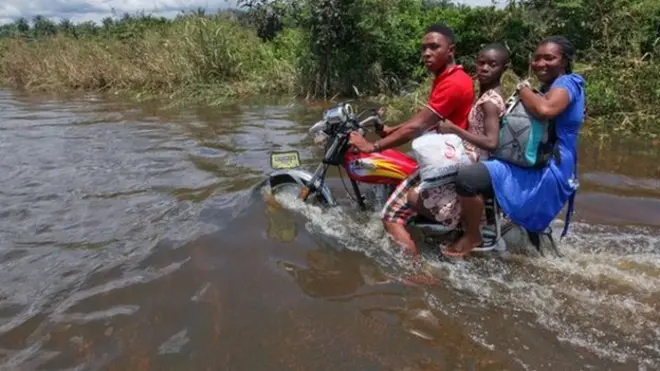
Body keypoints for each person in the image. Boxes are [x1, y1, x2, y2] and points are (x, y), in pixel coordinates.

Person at [443, 35, 585, 258]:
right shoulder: (549, 86)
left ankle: (472, 235)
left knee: (467, 178)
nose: (540, 64)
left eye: (549, 58)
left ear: (564, 61)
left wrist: (523, 89)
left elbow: (545, 110)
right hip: (539, 159)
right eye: (537, 58)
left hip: (550, 167)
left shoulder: (568, 83)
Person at [348, 23, 474, 257]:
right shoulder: (447, 77)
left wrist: (371, 146)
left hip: (448, 158)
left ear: (451, 50)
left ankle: (414, 274)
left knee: (390, 216)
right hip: (445, 150)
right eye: (424, 48)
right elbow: (426, 119)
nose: (426, 53)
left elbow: (418, 126)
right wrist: (391, 129)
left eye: (434, 47)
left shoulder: (454, 83)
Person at [407, 43, 510, 236]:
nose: (485, 68)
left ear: (504, 68)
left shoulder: (489, 101)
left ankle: (456, 226)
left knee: (414, 197)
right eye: (481, 63)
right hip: (470, 153)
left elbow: (491, 142)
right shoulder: (487, 93)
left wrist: (455, 130)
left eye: (492, 64)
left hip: (474, 158)